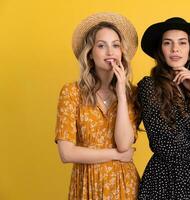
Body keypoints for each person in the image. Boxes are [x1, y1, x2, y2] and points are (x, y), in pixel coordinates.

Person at [55, 12, 139, 199]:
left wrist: (122, 95)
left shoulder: (132, 94)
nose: (110, 52)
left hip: (124, 185)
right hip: (87, 183)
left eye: (115, 45)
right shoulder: (72, 92)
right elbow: (67, 153)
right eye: (101, 46)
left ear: (122, 52)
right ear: (90, 54)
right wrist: (116, 155)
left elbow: (124, 144)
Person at [137, 17, 190, 199]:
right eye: (168, 43)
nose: (175, 49)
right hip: (164, 181)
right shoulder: (149, 86)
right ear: (161, 50)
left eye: (182, 43)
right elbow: (165, 146)